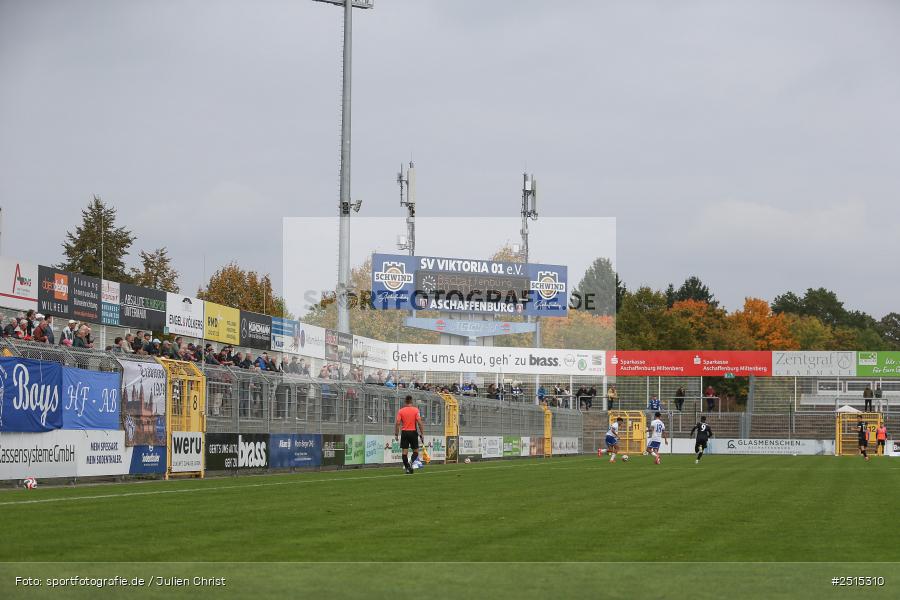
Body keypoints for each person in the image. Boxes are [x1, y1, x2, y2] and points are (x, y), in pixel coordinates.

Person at [394, 395, 425, 475]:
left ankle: (407, 468)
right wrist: (422, 434)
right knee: (416, 451)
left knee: (404, 453)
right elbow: (419, 422)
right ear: (412, 401)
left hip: (404, 432)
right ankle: (411, 462)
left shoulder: (401, 411)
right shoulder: (415, 410)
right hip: (413, 432)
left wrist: (396, 434)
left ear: (405, 401)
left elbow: (397, 423)